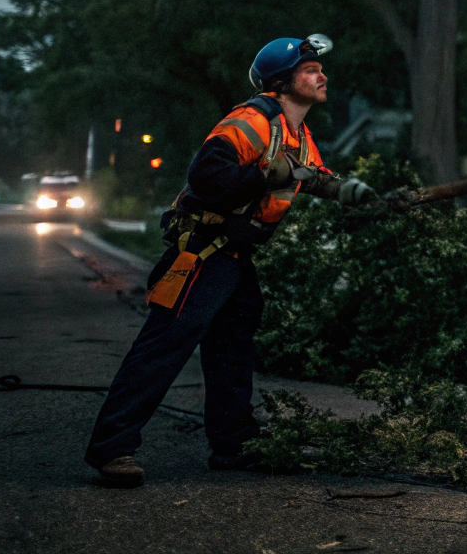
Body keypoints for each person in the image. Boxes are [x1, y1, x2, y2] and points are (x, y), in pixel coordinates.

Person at [83, 35, 377, 487]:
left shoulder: (295, 131)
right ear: (282, 81)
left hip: (235, 259)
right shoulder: (251, 121)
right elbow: (207, 175)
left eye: (320, 69)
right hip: (202, 252)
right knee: (163, 349)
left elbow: (310, 175)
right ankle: (112, 449)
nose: (323, 76)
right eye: (311, 70)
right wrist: (267, 174)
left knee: (232, 348)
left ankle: (234, 445)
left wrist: (350, 191)